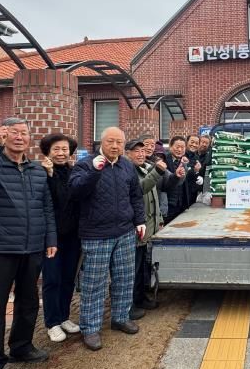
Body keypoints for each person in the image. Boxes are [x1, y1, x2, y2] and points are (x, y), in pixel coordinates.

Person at [0, 118, 57, 369]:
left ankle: (22, 346)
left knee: (28, 301)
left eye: (24, 133)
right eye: (13, 132)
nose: (19, 137)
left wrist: (50, 238)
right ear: (3, 135)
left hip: (33, 245)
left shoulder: (37, 170)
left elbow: (46, 207)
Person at [69, 127, 145, 351]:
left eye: (119, 142)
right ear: (101, 142)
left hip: (124, 232)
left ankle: (120, 317)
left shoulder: (127, 166)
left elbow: (135, 196)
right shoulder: (85, 164)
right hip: (96, 234)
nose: (115, 146)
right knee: (94, 284)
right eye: (111, 141)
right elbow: (76, 192)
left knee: (124, 278)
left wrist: (139, 220)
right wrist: (94, 171)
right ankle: (90, 328)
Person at [124, 139, 184, 319]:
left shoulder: (147, 167)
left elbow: (164, 187)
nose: (141, 153)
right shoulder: (127, 170)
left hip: (149, 225)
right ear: (127, 153)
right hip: (135, 226)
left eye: (143, 151)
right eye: (136, 151)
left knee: (143, 265)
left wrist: (177, 176)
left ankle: (140, 297)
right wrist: (157, 171)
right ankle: (128, 305)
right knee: (131, 269)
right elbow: (140, 189)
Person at [39, 133, 81, 343]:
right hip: (51, 237)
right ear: (48, 152)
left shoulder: (75, 172)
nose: (61, 153)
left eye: (65, 149)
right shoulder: (41, 173)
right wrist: (49, 174)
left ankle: (64, 316)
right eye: (56, 149)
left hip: (73, 235)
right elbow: (56, 199)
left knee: (68, 278)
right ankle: (52, 322)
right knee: (52, 279)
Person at [165, 136, 191, 222]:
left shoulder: (184, 161)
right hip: (168, 204)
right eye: (177, 147)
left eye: (182, 147)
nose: (180, 150)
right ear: (170, 146)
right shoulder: (164, 160)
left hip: (181, 204)